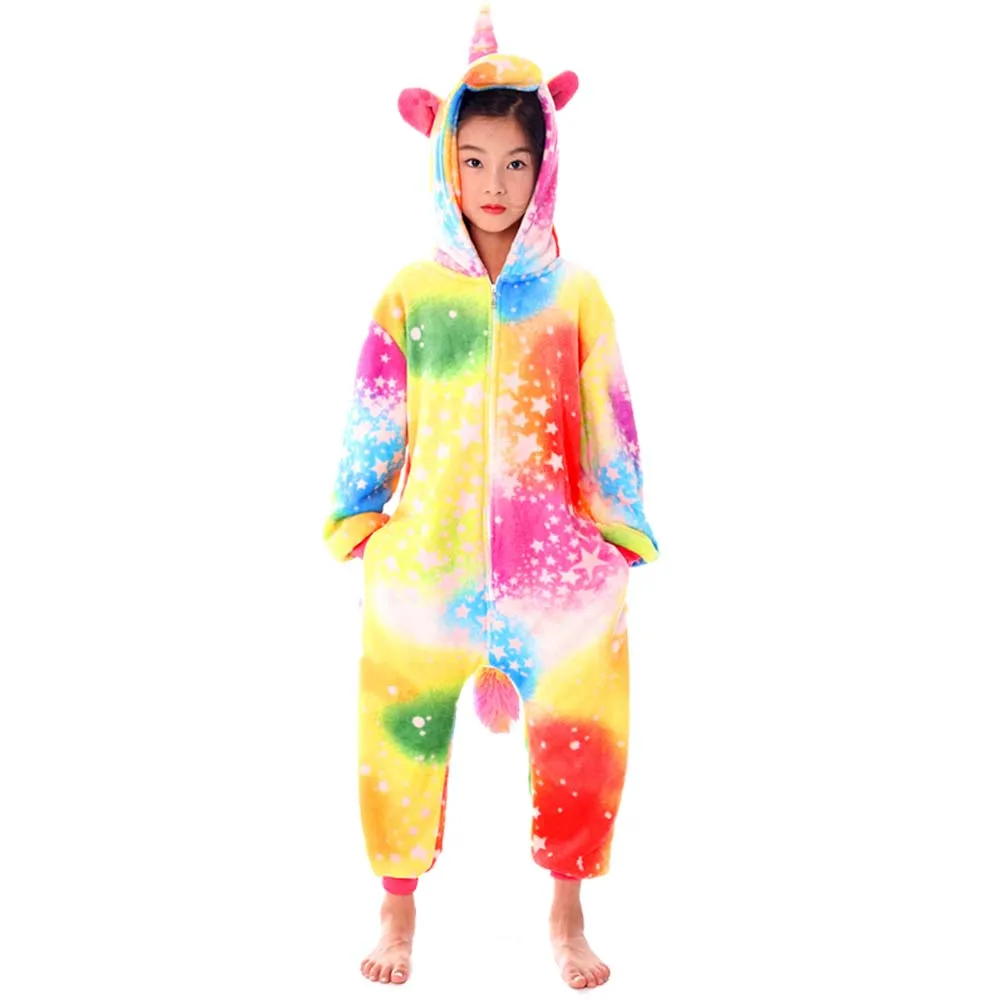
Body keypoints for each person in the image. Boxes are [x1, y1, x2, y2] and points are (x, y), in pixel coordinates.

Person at [323, 4, 659, 989]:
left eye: (516, 162)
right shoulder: (411, 293)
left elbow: (608, 415)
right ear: (443, 162)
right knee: (399, 731)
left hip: (557, 573)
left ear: (545, 164)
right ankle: (396, 906)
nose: (495, 184)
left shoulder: (575, 294)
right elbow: (376, 406)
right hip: (427, 566)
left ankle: (567, 911)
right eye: (473, 161)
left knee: (582, 735)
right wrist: (361, 518)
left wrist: (618, 533)